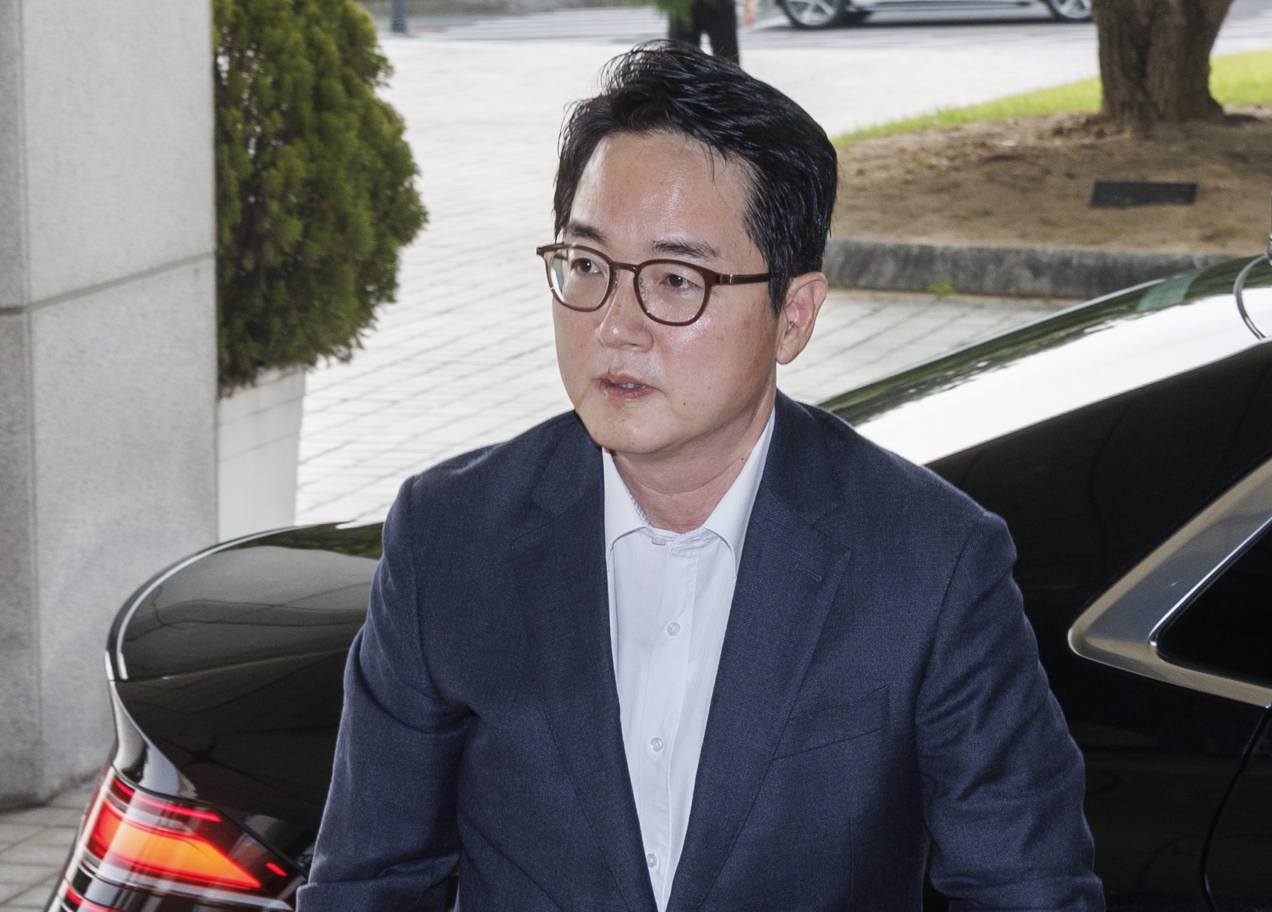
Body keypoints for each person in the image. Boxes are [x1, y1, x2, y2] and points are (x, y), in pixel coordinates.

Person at [297, 42, 1103, 912]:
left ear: (792, 316)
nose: (615, 326)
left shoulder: (928, 564)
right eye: (587, 265)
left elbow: (1028, 892)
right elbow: (368, 885)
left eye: (676, 280)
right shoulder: (452, 537)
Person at [665, 0, 755, 65]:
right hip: (681, 5)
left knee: (728, 59)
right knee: (679, 59)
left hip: (720, 4)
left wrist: (749, 2)